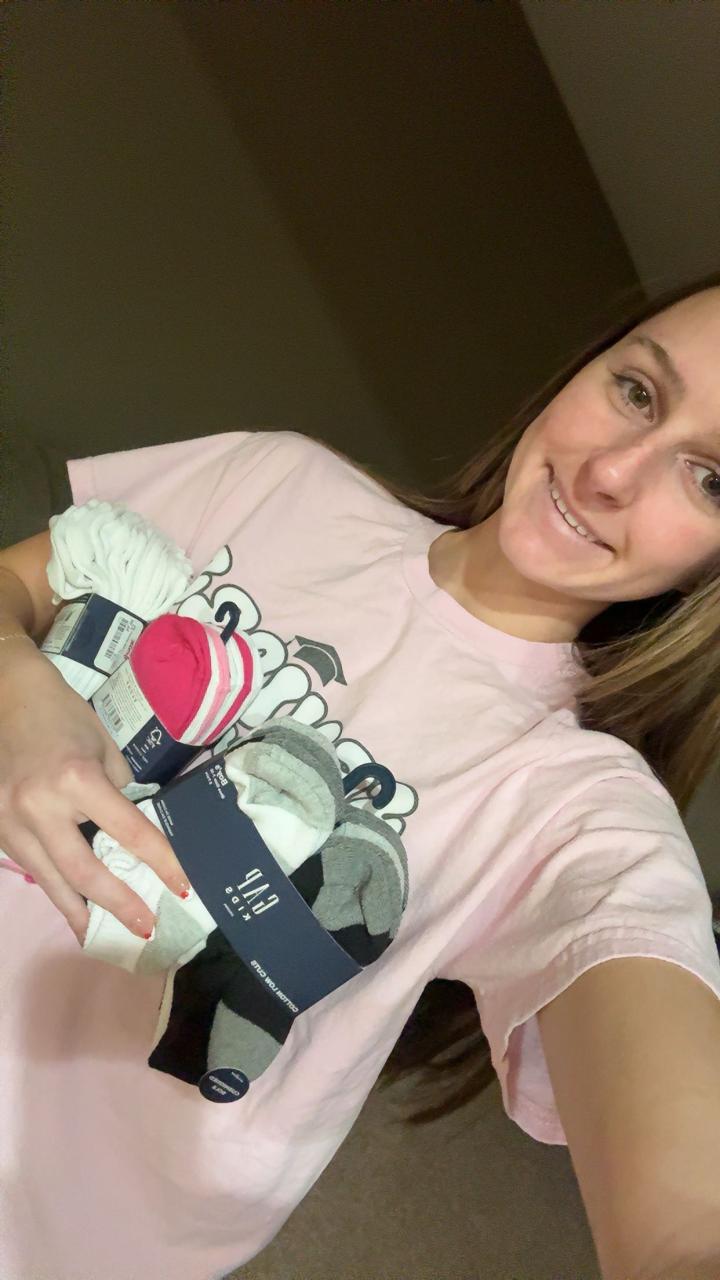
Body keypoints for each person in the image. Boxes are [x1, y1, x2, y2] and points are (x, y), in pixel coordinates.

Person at [2, 276, 720, 1280]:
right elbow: (24, 578)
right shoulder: (279, 479)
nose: (610, 471)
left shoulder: (575, 802)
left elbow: (681, 1194)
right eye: (637, 391)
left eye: (710, 479)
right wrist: (16, 683)